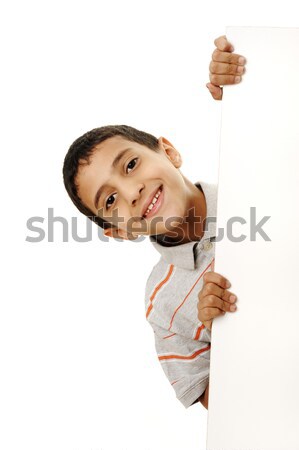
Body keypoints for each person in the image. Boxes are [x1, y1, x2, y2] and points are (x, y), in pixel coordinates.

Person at [62, 35, 246, 410]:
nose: (131, 192)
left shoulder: (254, 178)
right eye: (110, 200)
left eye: (131, 165)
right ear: (118, 231)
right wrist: (228, 338)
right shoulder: (162, 305)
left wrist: (248, 95)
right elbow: (225, 413)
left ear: (170, 152)